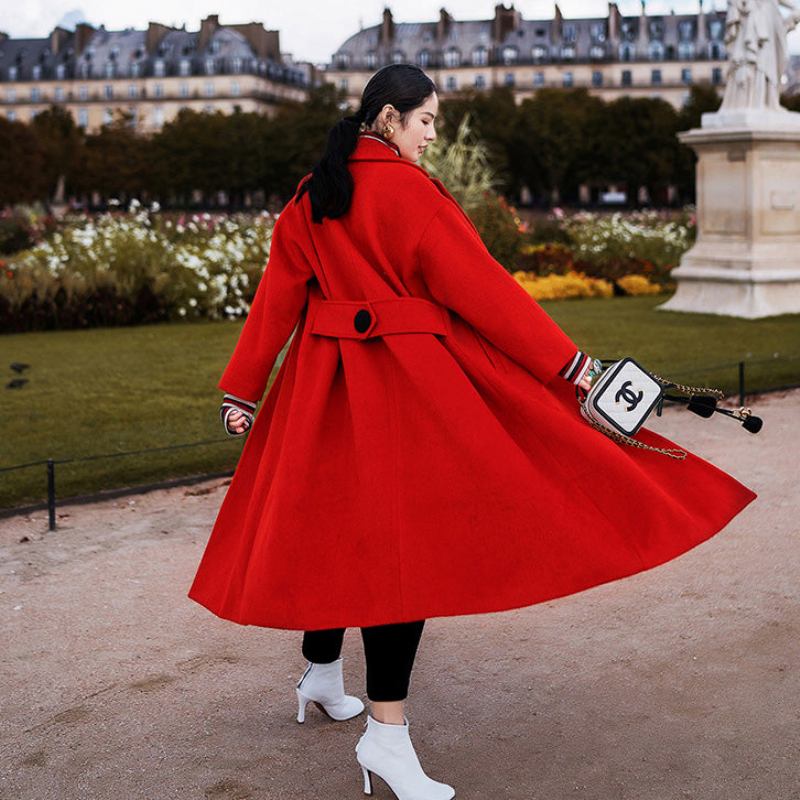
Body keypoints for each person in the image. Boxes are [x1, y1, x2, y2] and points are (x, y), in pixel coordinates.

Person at [188, 64, 757, 800]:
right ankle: (385, 739)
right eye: (426, 120)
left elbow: (276, 301)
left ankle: (323, 676)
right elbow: (486, 293)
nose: (432, 135)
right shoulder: (410, 193)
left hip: (316, 392)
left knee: (332, 528)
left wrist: (241, 389)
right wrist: (574, 364)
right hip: (402, 388)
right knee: (401, 556)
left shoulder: (310, 194)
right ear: (388, 119)